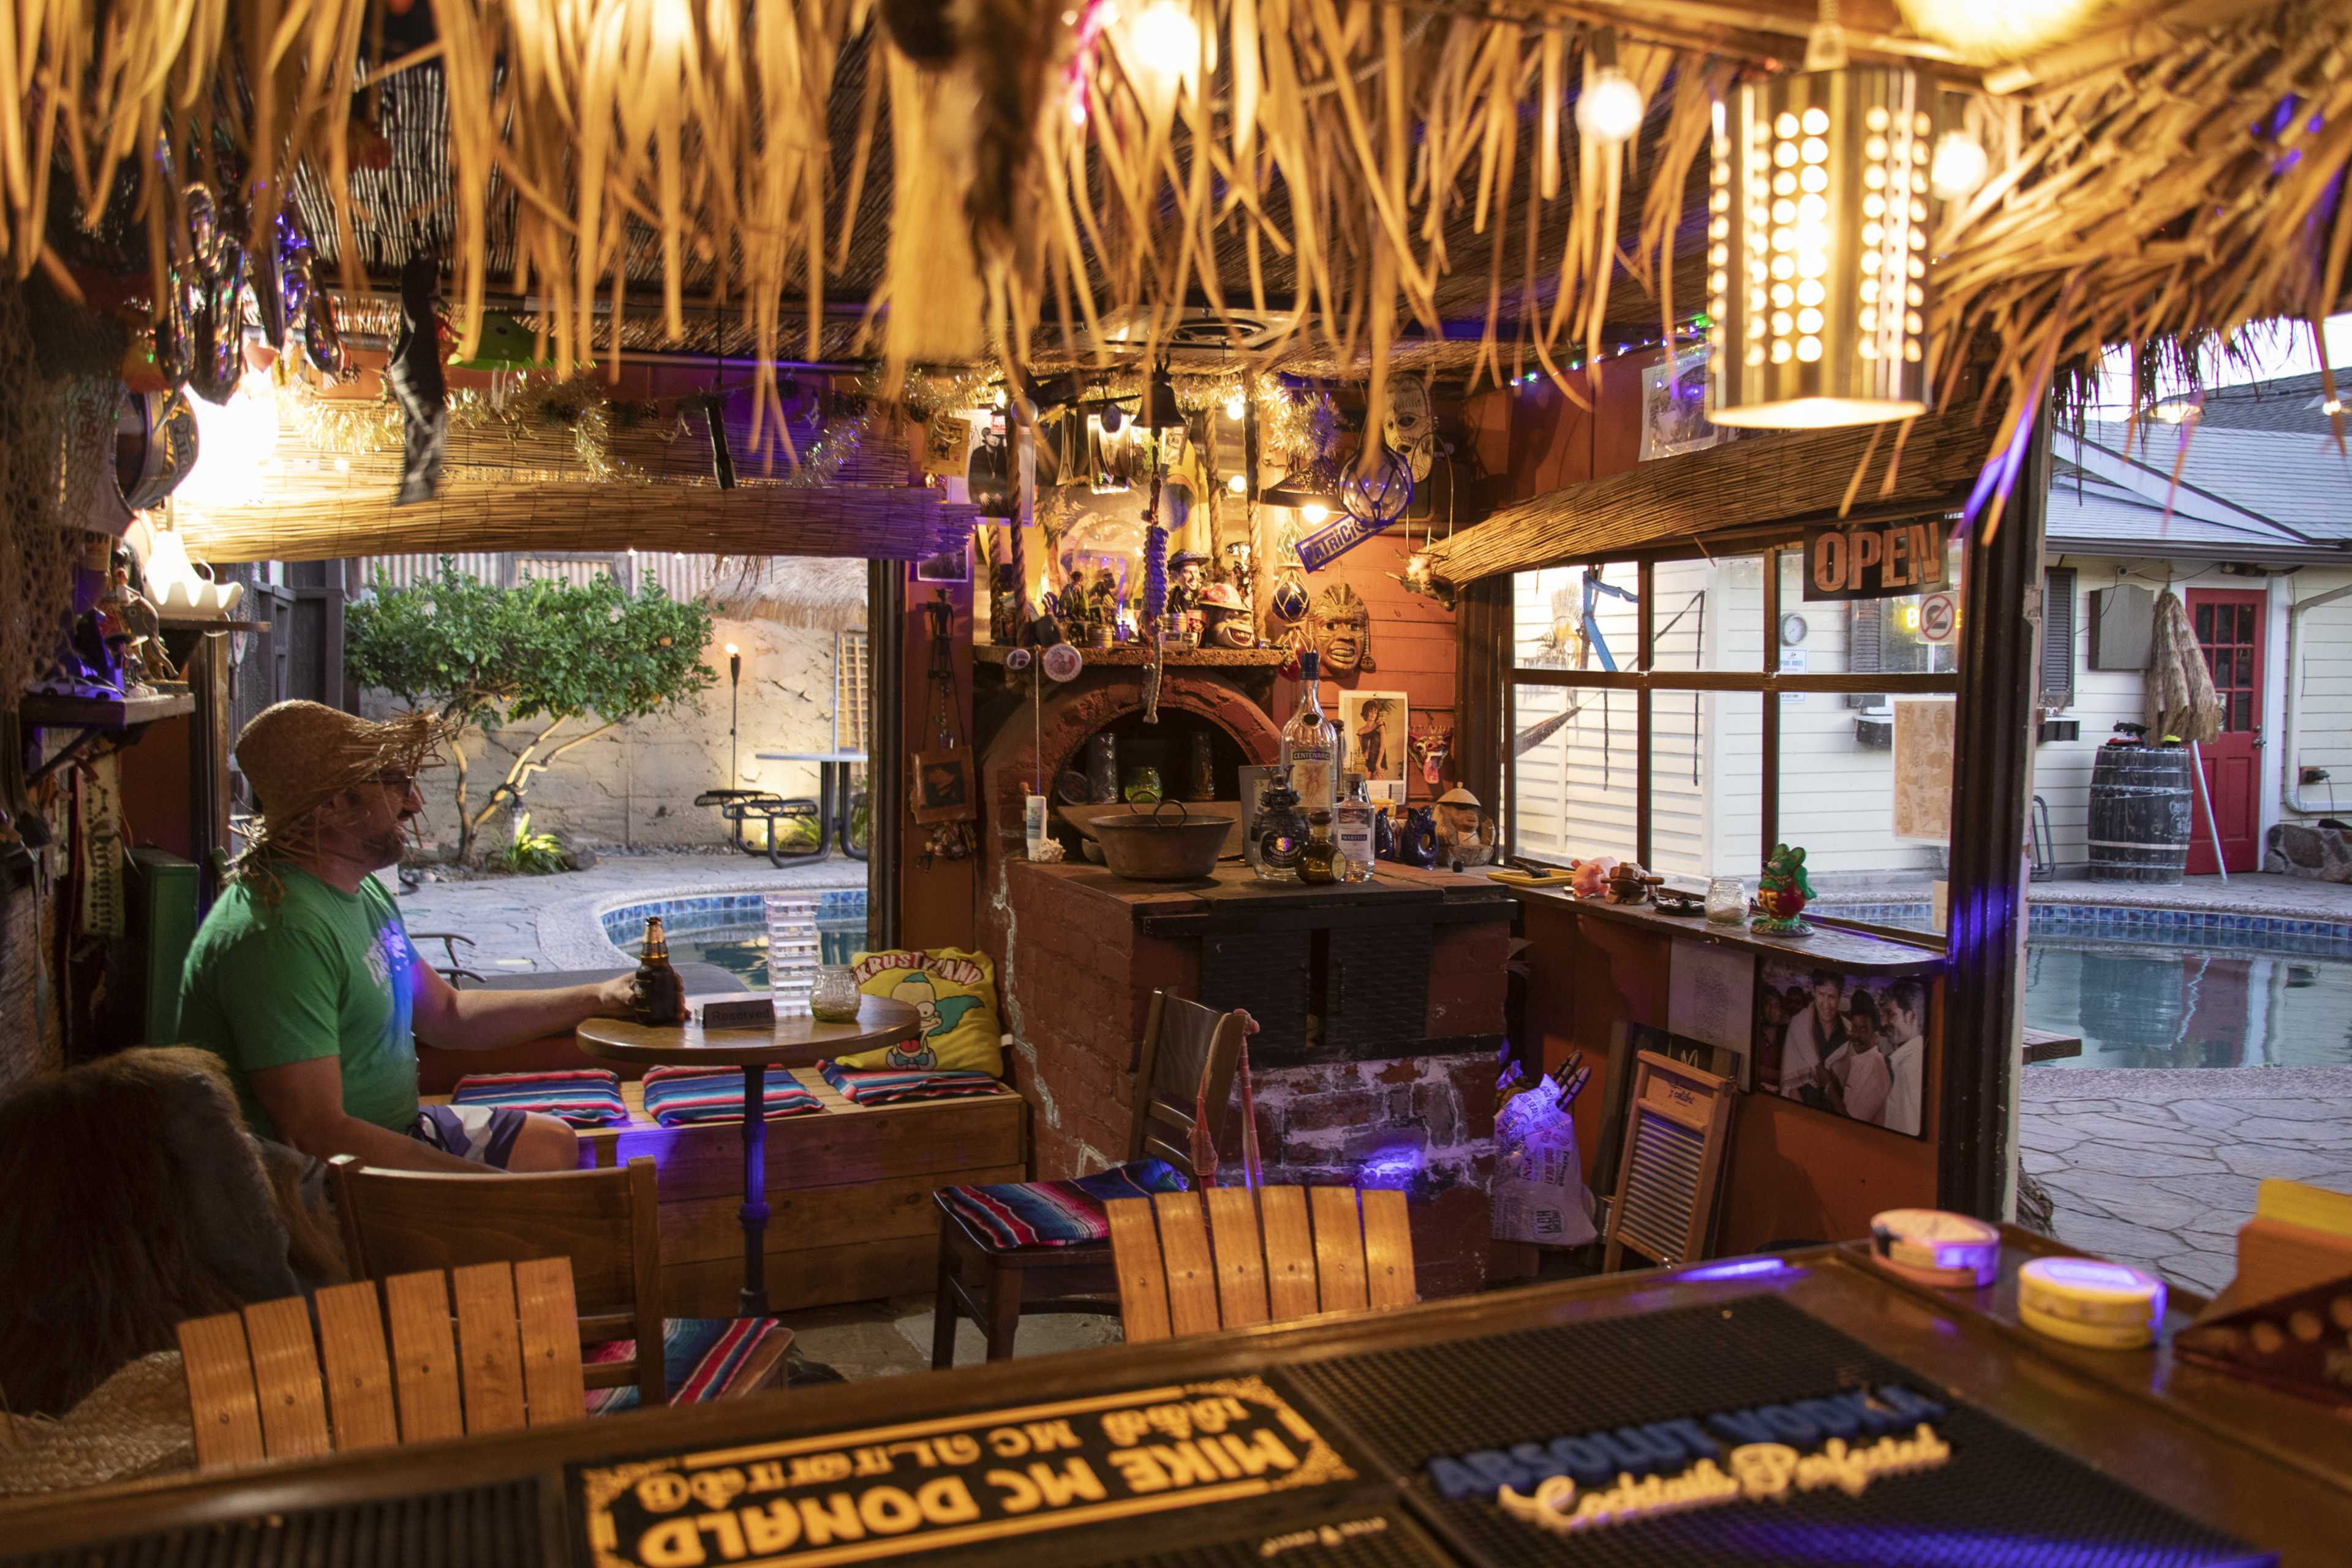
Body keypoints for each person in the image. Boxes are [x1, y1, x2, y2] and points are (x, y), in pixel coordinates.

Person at [180, 701, 674, 1175]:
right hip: (319, 1188)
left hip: (394, 1130)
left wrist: (597, 996)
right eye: (395, 784)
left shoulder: (360, 890)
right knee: (549, 1202)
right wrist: (503, 1197)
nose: (414, 802)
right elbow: (317, 1136)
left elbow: (446, 1016)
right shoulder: (281, 936)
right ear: (331, 804)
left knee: (550, 1146)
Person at [1778, 969, 1847, 1103]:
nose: (1826, 1004)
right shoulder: (1798, 1025)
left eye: (1832, 997)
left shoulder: (1849, 1030)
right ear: (1814, 992)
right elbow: (1791, 1086)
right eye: (1822, 994)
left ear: (1840, 997)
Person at [1877, 979, 1929, 1134]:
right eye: (1883, 1015)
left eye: (1891, 1014)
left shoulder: (1912, 1067)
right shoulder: (1905, 1061)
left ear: (1911, 1017)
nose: (1884, 1022)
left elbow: (1909, 1132)